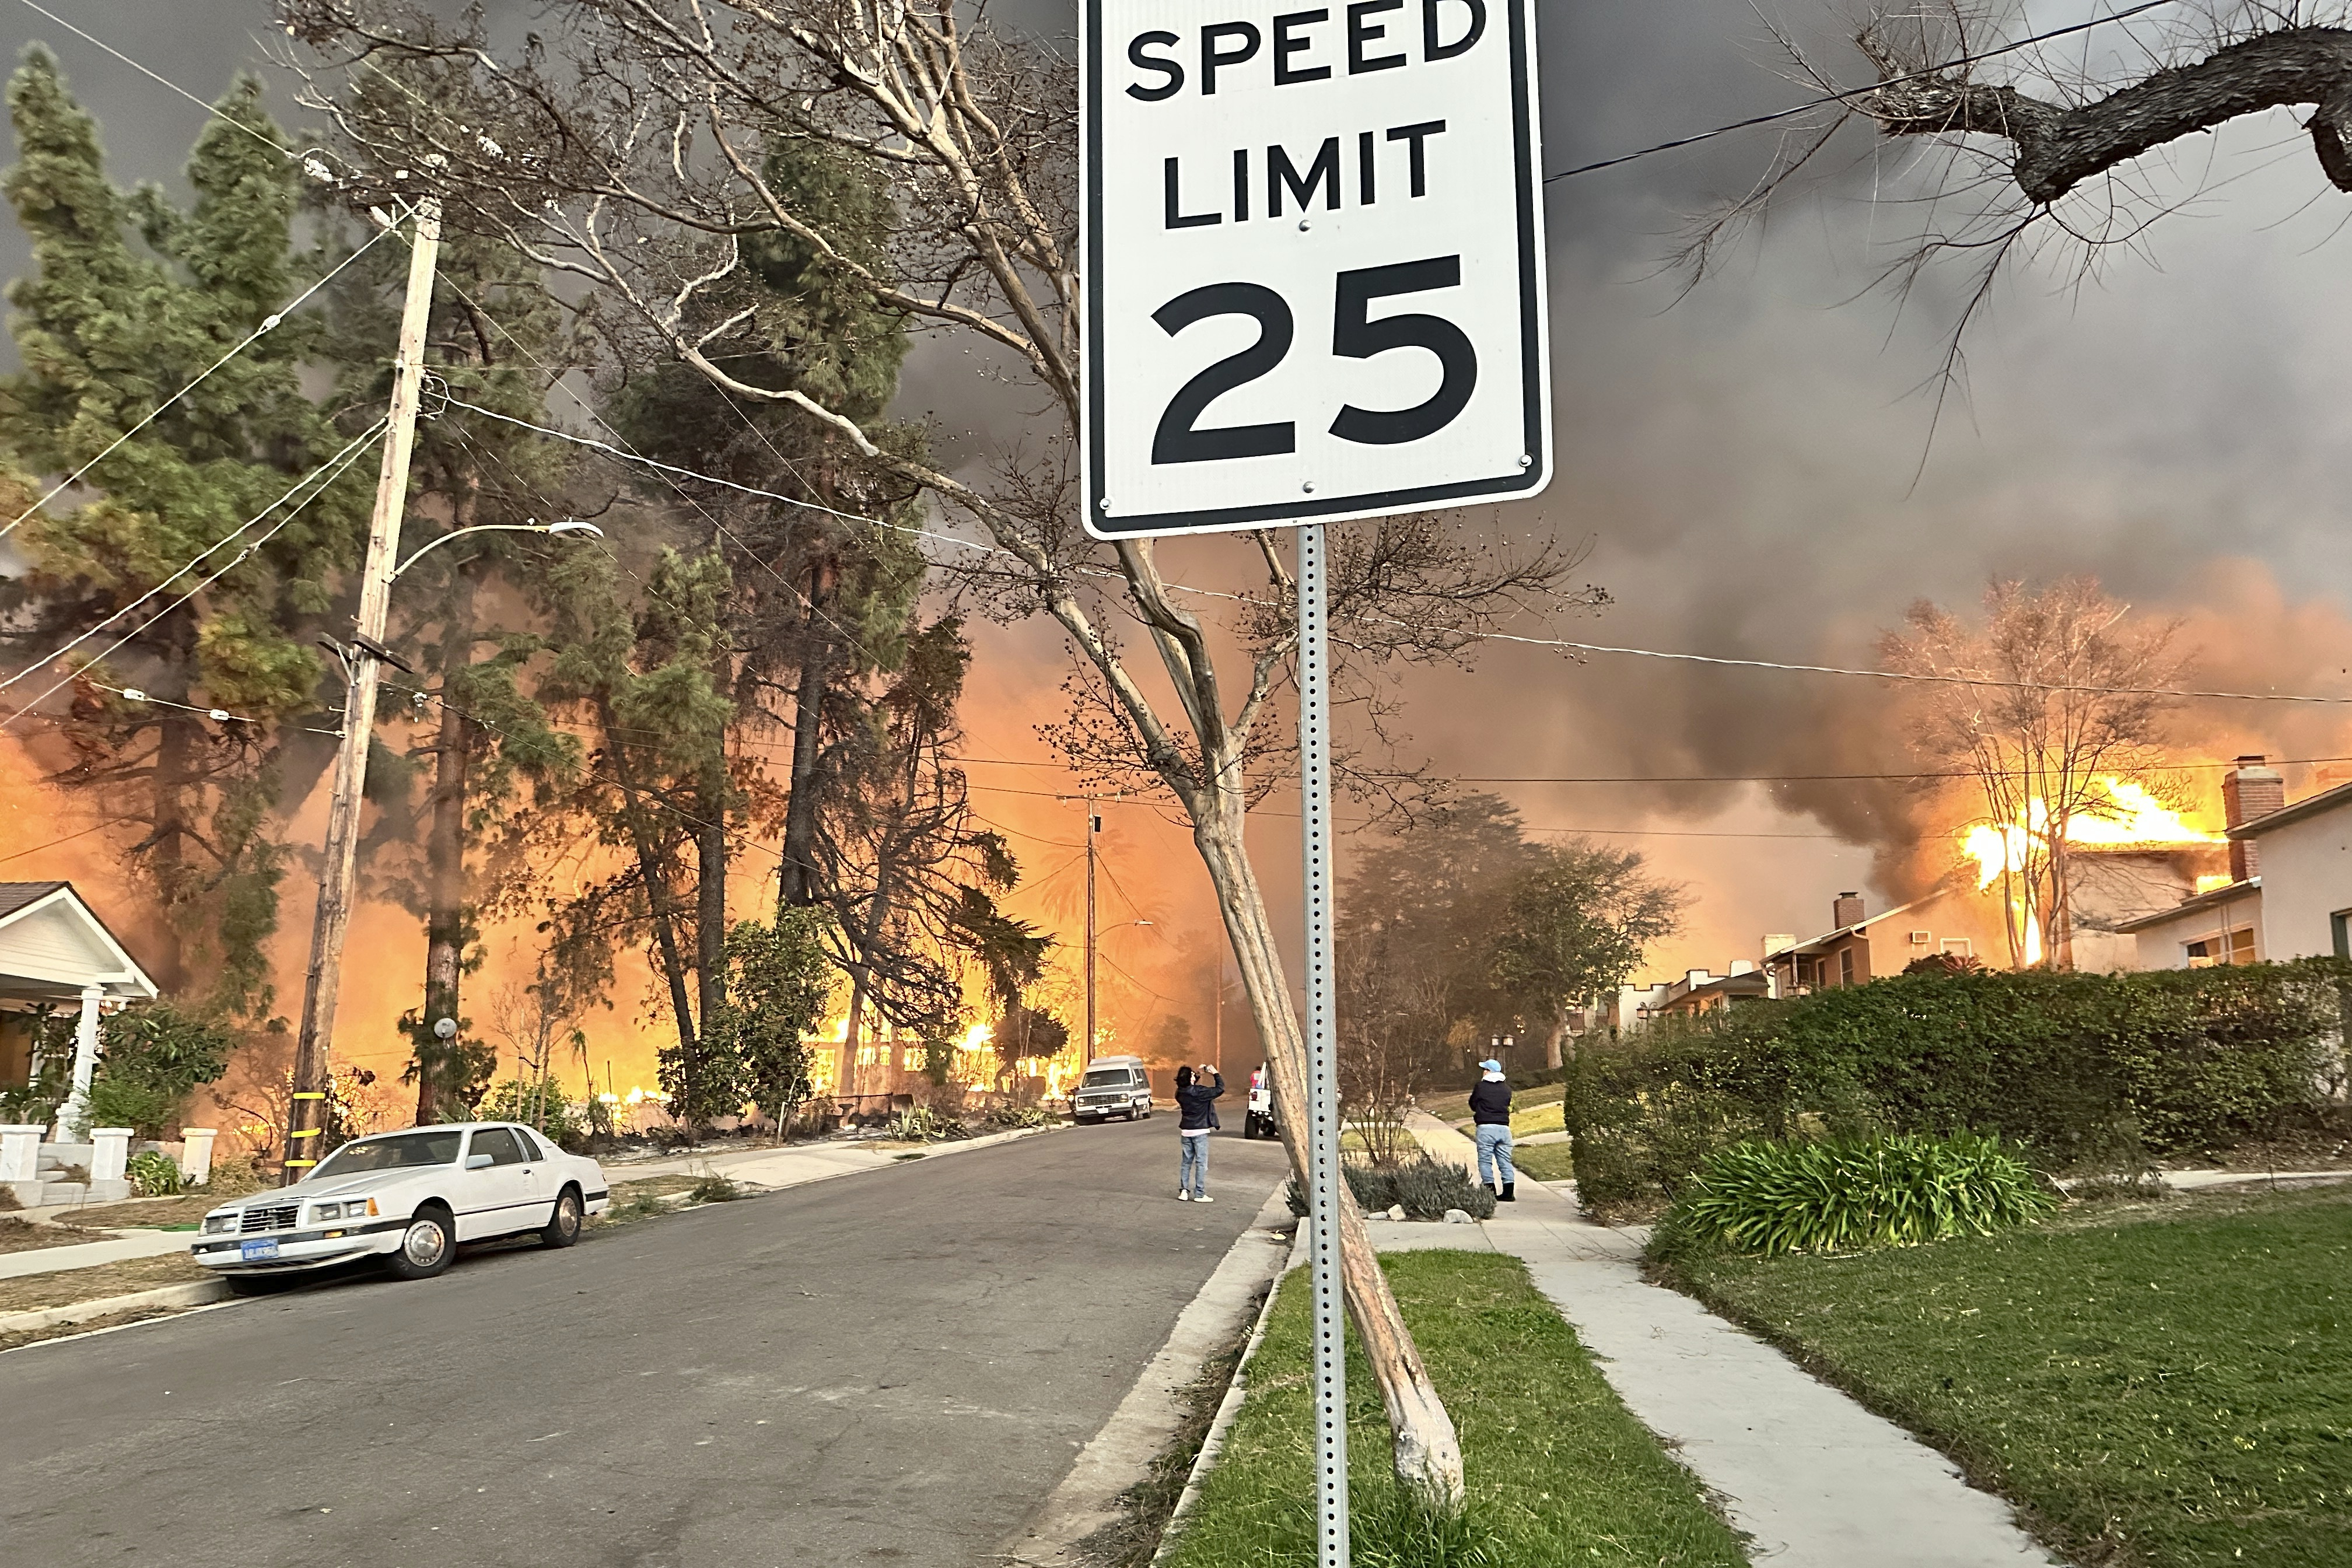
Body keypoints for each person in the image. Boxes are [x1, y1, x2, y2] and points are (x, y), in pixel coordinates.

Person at [1174, 1062, 1224, 1202]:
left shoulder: (1180, 1093)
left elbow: (1189, 1085)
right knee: (1201, 1163)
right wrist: (1215, 1073)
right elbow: (1220, 1089)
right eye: (1192, 1074)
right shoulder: (1200, 1092)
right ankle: (1200, 1194)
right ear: (1190, 1079)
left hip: (1186, 1131)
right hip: (1200, 1131)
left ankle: (1184, 1191)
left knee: (1186, 1162)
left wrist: (1199, 1073)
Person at [1468, 1057, 1516, 1202]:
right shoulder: (1507, 1089)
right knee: (1505, 1160)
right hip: (1503, 1128)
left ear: (1489, 1072)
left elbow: (1473, 1104)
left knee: (1485, 1160)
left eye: (1485, 1069)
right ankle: (1508, 1192)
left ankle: (1490, 1191)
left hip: (1486, 1127)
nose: (1483, 1072)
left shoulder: (1481, 1087)